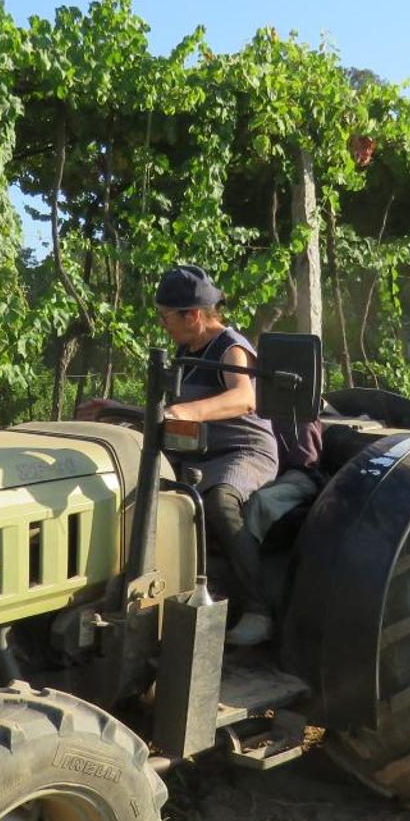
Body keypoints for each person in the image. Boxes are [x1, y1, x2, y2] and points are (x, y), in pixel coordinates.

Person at [79, 264, 280, 646]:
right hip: (195, 450)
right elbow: (172, 412)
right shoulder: (186, 350)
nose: (162, 324)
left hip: (243, 451)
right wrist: (121, 409)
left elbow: (243, 397)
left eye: (165, 316)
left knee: (218, 502)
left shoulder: (230, 347)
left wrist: (187, 412)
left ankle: (261, 608)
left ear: (194, 315)